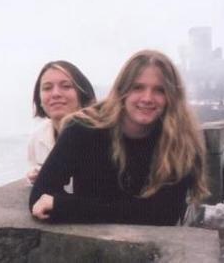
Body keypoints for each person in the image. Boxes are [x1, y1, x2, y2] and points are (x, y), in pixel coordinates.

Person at [29, 50, 209, 226]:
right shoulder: (83, 128)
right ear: (122, 91)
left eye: (159, 90)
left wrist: (67, 206)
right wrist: (129, 210)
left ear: (171, 97)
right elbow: (39, 200)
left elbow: (164, 214)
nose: (147, 98)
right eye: (137, 87)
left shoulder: (179, 140)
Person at [26, 60, 96, 184]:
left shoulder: (100, 133)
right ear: (40, 99)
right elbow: (33, 169)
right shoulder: (37, 138)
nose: (56, 94)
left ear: (82, 93)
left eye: (66, 86)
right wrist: (34, 175)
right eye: (47, 88)